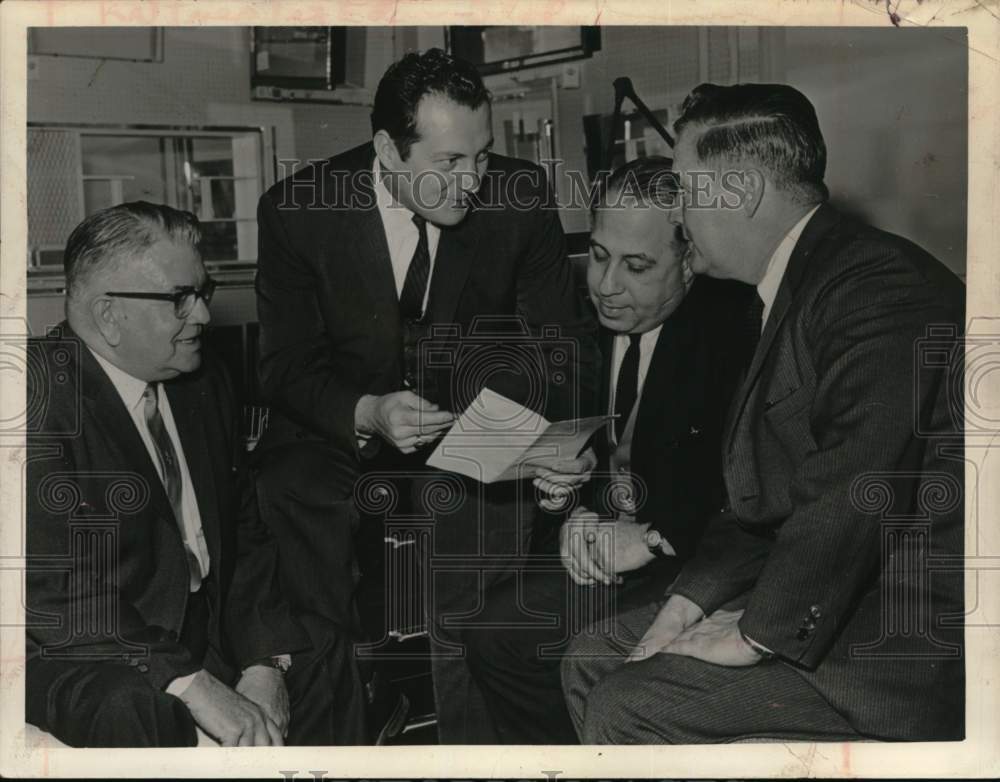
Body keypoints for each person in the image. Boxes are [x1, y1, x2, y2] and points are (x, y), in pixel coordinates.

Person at [562, 83, 965, 743]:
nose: (682, 220)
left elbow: (853, 492)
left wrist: (754, 634)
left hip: (896, 641)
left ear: (742, 192)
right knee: (593, 656)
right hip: (832, 590)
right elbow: (764, 495)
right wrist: (686, 603)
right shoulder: (792, 285)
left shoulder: (877, 289)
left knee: (628, 701)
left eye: (688, 193)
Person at [253, 47, 599, 743]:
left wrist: (515, 440)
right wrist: (365, 411)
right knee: (295, 504)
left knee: (478, 561)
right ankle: (338, 738)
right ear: (387, 148)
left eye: (482, 155)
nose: (473, 181)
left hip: (474, 423)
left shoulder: (518, 195)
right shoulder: (299, 210)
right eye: (448, 163)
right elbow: (285, 365)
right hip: (344, 429)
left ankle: (472, 747)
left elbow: (562, 346)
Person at [25, 202, 367, 747]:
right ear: (110, 314)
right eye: (180, 299)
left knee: (320, 649)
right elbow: (48, 587)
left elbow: (243, 529)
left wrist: (264, 660)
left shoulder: (202, 383)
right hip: (88, 645)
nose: (204, 316)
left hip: (196, 624)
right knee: (131, 704)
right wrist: (190, 683)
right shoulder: (31, 400)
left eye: (202, 294)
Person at [462, 157, 751, 743]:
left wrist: (648, 536)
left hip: (692, 562)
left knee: (540, 644)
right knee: (493, 630)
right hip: (598, 548)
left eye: (637, 265)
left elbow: (745, 495)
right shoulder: (576, 324)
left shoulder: (736, 334)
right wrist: (569, 504)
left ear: (691, 262)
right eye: (597, 255)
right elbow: (579, 451)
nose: (606, 285)